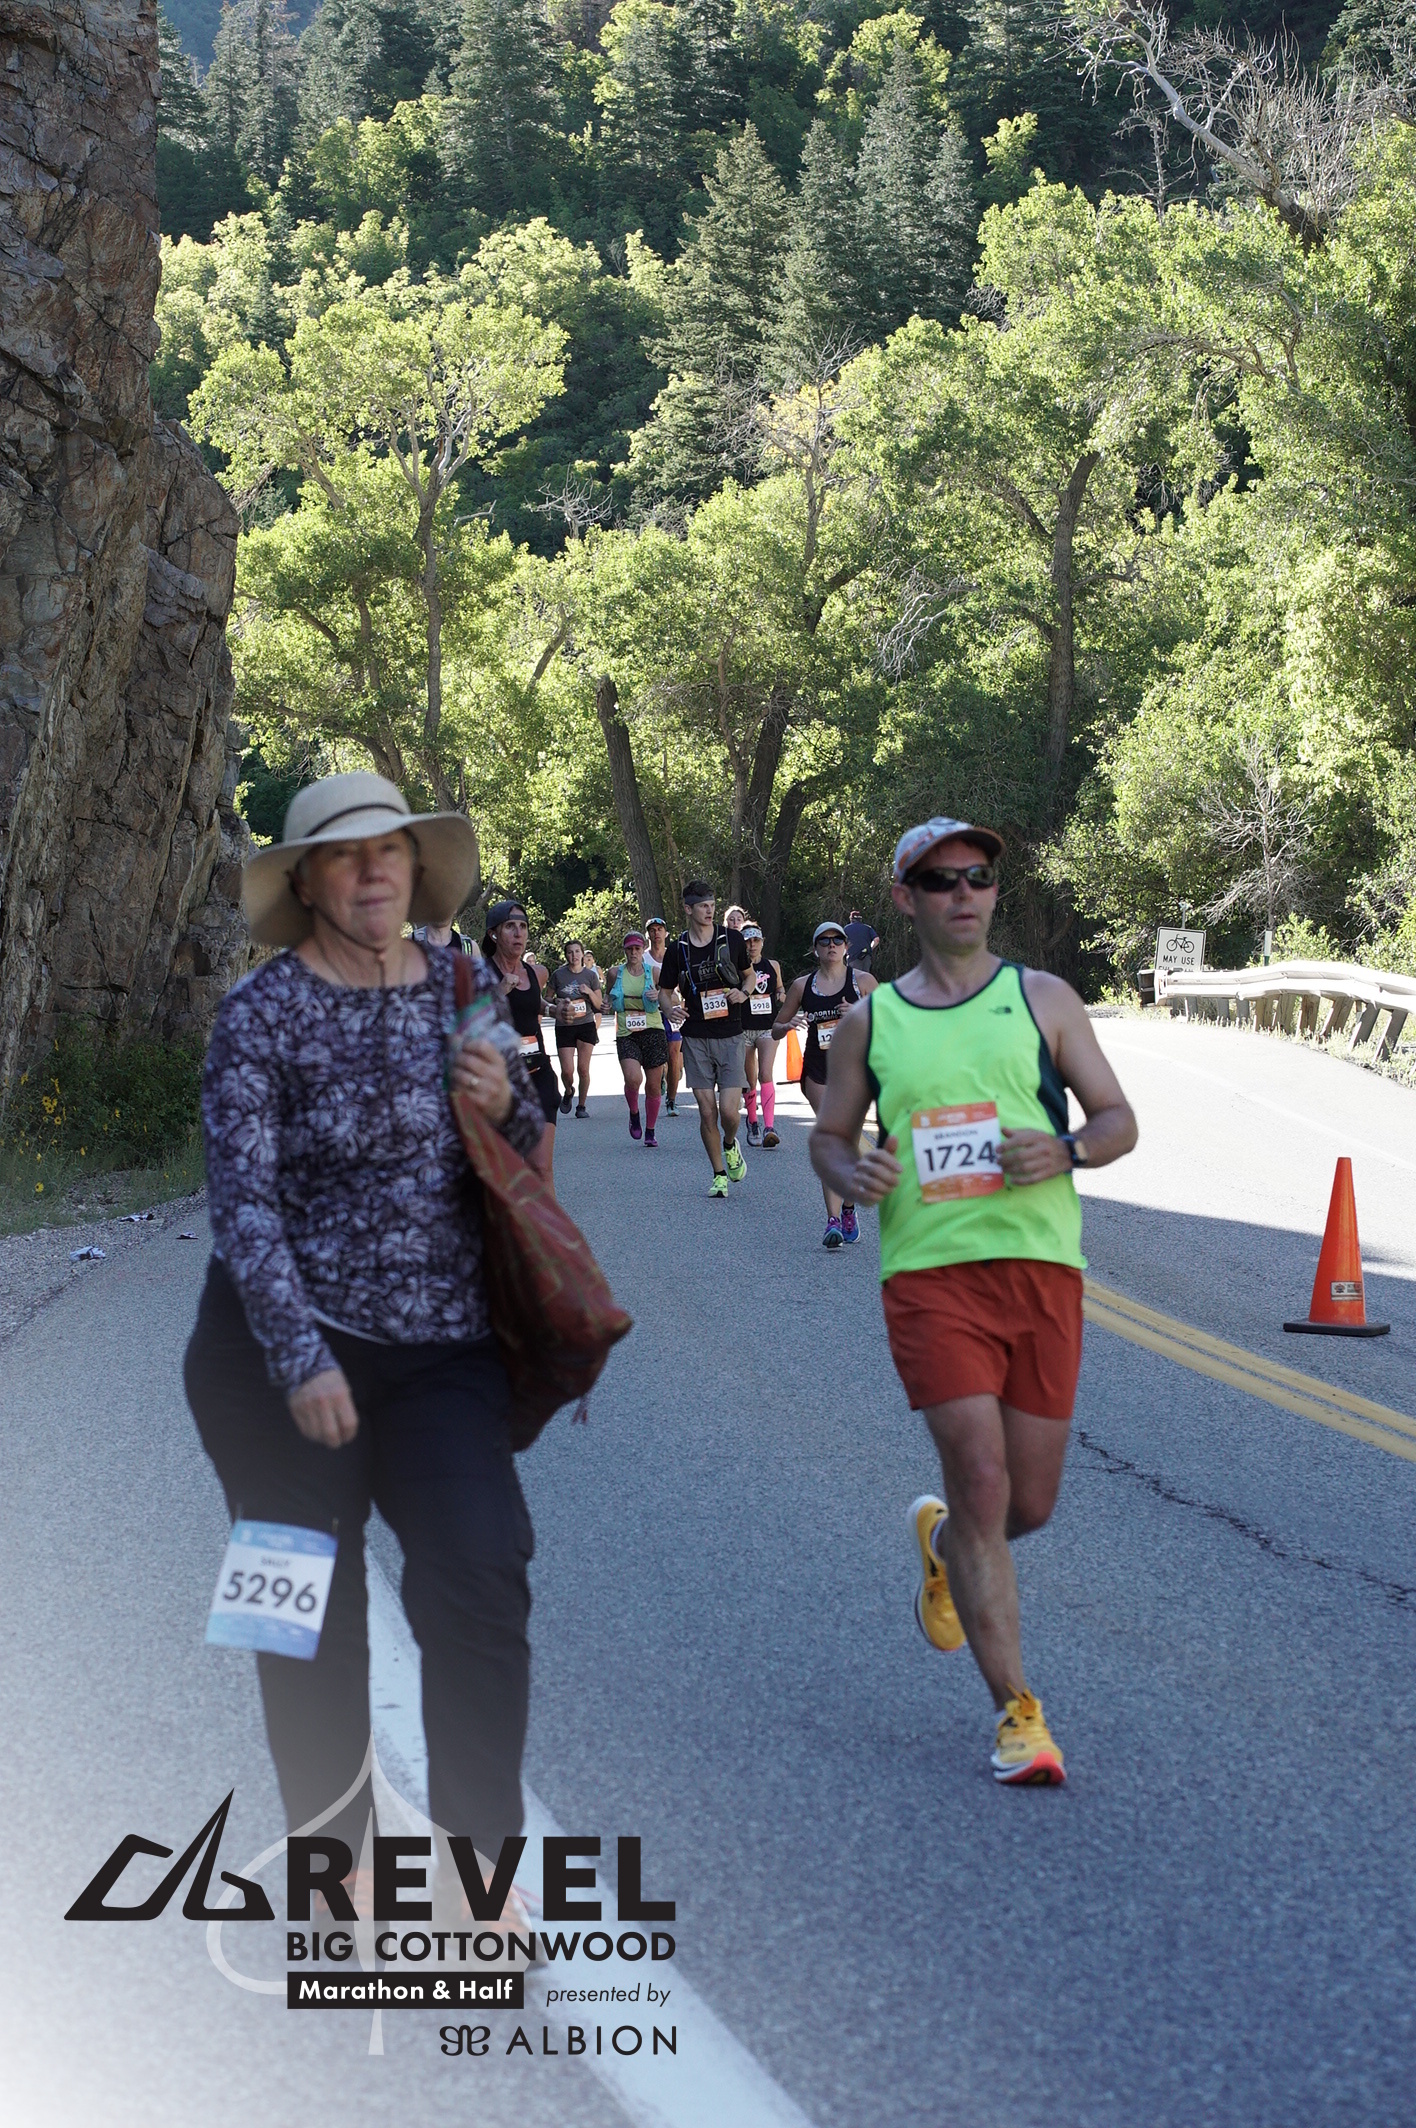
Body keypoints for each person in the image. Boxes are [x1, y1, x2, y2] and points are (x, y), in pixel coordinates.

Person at [185, 771, 548, 1909]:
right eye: (343, 855)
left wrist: (506, 1103)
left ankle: (481, 1872)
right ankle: (333, 1872)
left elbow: (528, 1138)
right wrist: (300, 1356)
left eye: (388, 848)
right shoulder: (259, 1015)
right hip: (267, 1360)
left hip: (441, 1353)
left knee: (481, 1580)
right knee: (297, 1617)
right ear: (306, 882)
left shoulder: (461, 987)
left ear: (415, 865)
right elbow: (242, 1204)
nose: (371, 869)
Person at [809, 817, 1138, 1786]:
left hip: (1041, 1271)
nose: (964, 893)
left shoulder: (1043, 999)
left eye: (979, 876)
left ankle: (946, 1545)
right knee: (985, 1480)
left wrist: (1067, 1148)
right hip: (930, 1277)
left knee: (1026, 1503)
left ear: (995, 890)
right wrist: (851, 1170)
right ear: (905, 898)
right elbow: (827, 1134)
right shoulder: (872, 1023)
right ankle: (1019, 1716)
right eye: (941, 879)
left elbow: (1118, 1120)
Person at [774, 922, 877, 1246]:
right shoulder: (802, 986)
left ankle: (848, 1207)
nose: (831, 945)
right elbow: (775, 1028)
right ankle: (832, 1221)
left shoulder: (863, 982)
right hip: (818, 1071)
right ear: (815, 948)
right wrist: (788, 1025)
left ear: (846, 947)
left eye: (837, 940)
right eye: (824, 941)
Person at [654, 881, 752, 1198]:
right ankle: (719, 1174)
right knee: (707, 1112)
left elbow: (749, 975)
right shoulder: (678, 949)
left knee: (729, 1113)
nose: (709, 910)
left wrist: (743, 992)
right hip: (695, 1036)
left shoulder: (732, 939)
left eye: (712, 905)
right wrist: (669, 1010)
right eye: (703, 906)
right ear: (688, 909)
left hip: (730, 1034)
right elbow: (664, 993)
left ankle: (730, 1144)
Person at [482, 898, 559, 1189]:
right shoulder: (481, 973)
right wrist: (498, 992)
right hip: (502, 1083)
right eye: (510, 927)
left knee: (541, 1168)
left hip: (539, 1075)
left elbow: (532, 1003)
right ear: (494, 934)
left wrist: (554, 1009)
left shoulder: (532, 972)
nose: (518, 933)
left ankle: (548, 1222)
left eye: (523, 927)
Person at [604, 931, 669, 1145]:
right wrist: (605, 1004)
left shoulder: (655, 972)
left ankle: (650, 1130)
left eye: (637, 949)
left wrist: (659, 996)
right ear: (624, 951)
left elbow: (671, 997)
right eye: (629, 949)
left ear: (643, 950)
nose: (633, 953)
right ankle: (634, 1112)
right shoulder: (615, 973)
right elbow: (608, 997)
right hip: (627, 1032)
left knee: (653, 1085)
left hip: (653, 1030)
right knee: (633, 1079)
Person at [740, 924, 784, 1147]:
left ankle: (769, 1127)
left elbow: (780, 988)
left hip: (767, 1027)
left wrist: (782, 995)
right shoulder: (737, 967)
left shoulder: (772, 965)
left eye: (756, 941)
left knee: (765, 1074)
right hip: (744, 1029)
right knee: (749, 1079)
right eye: (747, 942)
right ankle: (753, 1121)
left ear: (762, 942)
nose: (752, 945)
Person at [550, 940, 603, 1118]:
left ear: (582, 954)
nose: (574, 955)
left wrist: (589, 992)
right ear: (566, 955)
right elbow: (547, 998)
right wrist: (556, 1001)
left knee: (583, 1069)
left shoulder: (591, 976)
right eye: (570, 952)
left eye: (577, 951)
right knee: (567, 1071)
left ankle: (581, 1105)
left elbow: (599, 1004)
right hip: (564, 1025)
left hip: (585, 1024)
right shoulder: (558, 975)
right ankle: (568, 1090)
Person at [645, 917, 684, 1116]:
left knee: (674, 1054)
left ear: (666, 933)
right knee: (657, 1057)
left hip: (674, 1009)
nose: (656, 933)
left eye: (659, 929)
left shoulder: (675, 955)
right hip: (651, 1011)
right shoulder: (643, 958)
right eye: (652, 930)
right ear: (648, 935)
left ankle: (672, 1100)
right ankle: (662, 1075)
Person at [843, 909, 880, 973]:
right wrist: (870, 948)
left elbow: (841, 942)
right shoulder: (868, 928)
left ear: (851, 919)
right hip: (866, 958)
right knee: (865, 976)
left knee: (853, 977)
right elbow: (876, 940)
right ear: (860, 919)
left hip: (853, 957)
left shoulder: (846, 929)